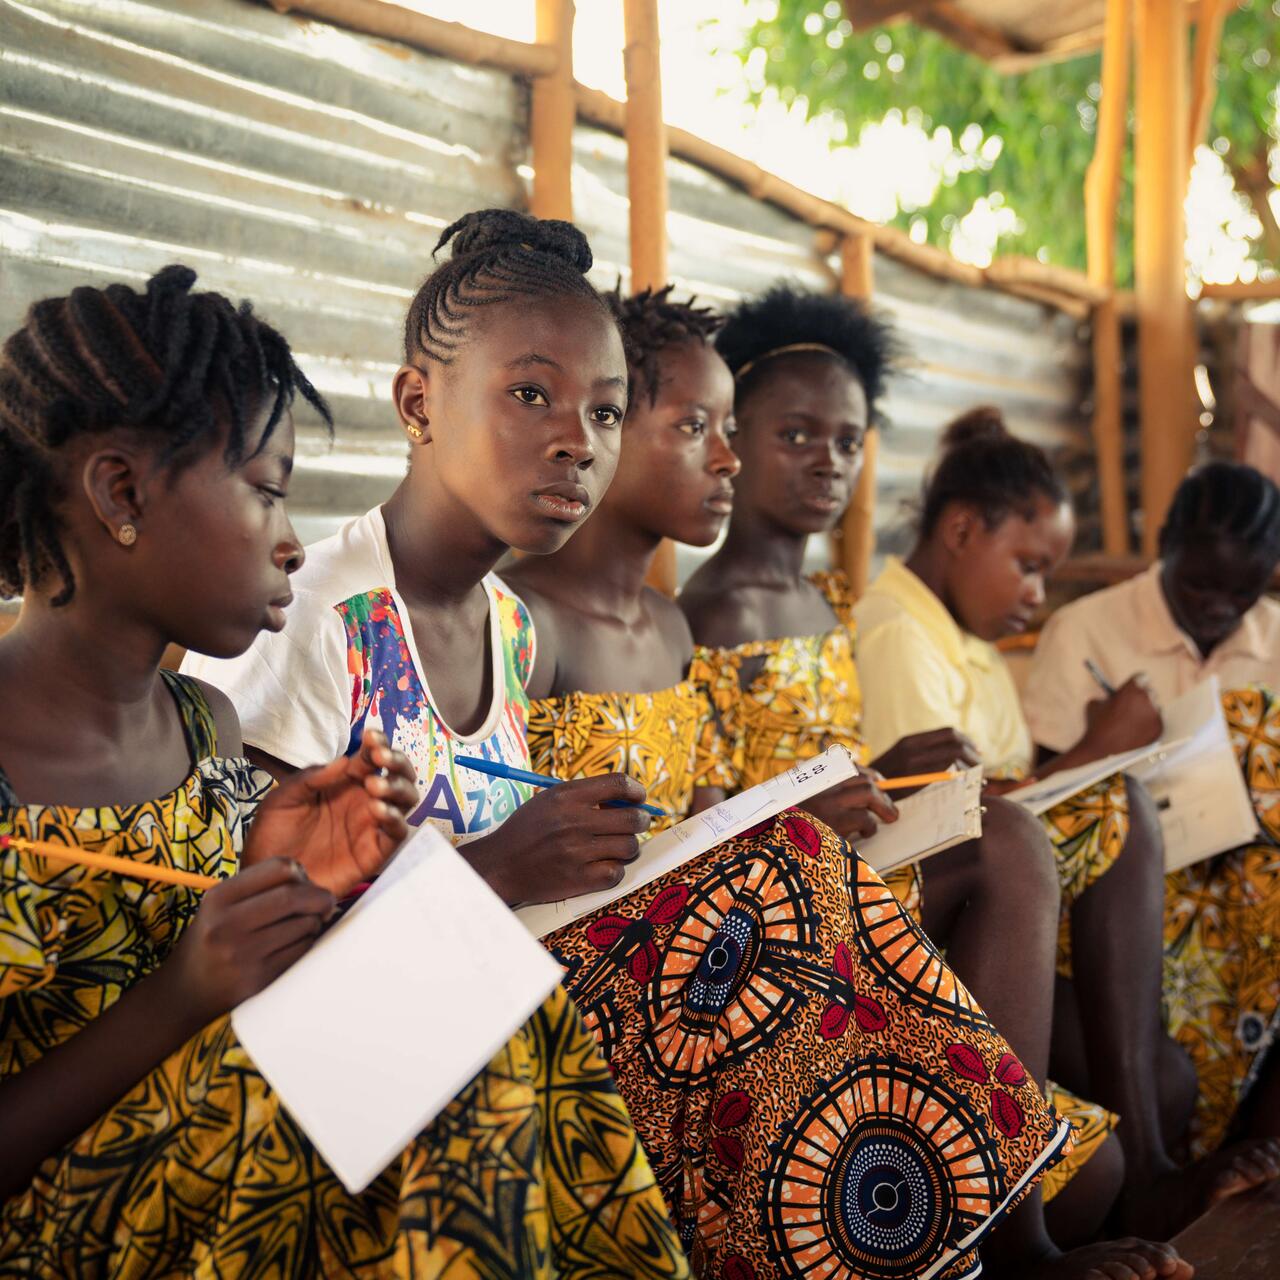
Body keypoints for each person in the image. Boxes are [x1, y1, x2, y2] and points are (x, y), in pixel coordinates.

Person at [0, 266, 689, 1278]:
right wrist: (185, 990)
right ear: (121, 492)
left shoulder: (207, 728)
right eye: (264, 489)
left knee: (482, 994)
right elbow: (199, 1027)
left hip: (225, 1176)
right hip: (61, 1228)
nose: (289, 541)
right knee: (452, 1023)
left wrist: (310, 892)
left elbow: (256, 1014)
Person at [500, 286, 1155, 1280]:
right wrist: (784, 823)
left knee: (1021, 829)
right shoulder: (529, 622)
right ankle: (1009, 1226)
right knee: (988, 845)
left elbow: (704, 810)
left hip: (734, 911)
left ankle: (1011, 1206)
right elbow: (550, 861)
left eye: (727, 430)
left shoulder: (666, 628)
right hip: (640, 975)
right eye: (697, 428)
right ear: (608, 428)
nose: (723, 456)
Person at [681, 286, 1187, 1277]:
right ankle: (1014, 1236)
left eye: (847, 439)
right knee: (1006, 839)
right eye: (793, 433)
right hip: (787, 920)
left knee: (1111, 1145)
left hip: (871, 869)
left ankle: (1123, 1162)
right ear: (728, 437)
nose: (826, 459)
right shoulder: (700, 616)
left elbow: (848, 766)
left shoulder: (834, 600)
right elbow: (705, 828)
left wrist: (901, 765)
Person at [853, 406, 1280, 1237]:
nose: (1039, 596)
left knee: (1172, 1076)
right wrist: (1094, 750)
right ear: (961, 531)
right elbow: (951, 827)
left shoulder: (963, 641)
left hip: (1028, 895)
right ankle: (1127, 1185)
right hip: (951, 920)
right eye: (1027, 566)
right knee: (1116, 804)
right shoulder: (900, 633)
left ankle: (1160, 1169)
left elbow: (998, 789)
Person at [184, 209, 661, 910]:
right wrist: (498, 867)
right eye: (531, 395)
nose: (580, 443)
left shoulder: (511, 624)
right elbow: (245, 939)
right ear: (419, 403)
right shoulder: (309, 618)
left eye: (607, 413)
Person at [1023, 460, 1280, 1156]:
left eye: (1245, 590)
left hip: (1248, 896)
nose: (1221, 607)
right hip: (1120, 899)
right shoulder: (1086, 630)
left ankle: (1245, 1168)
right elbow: (1049, 801)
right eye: (1197, 583)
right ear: (1162, 545)